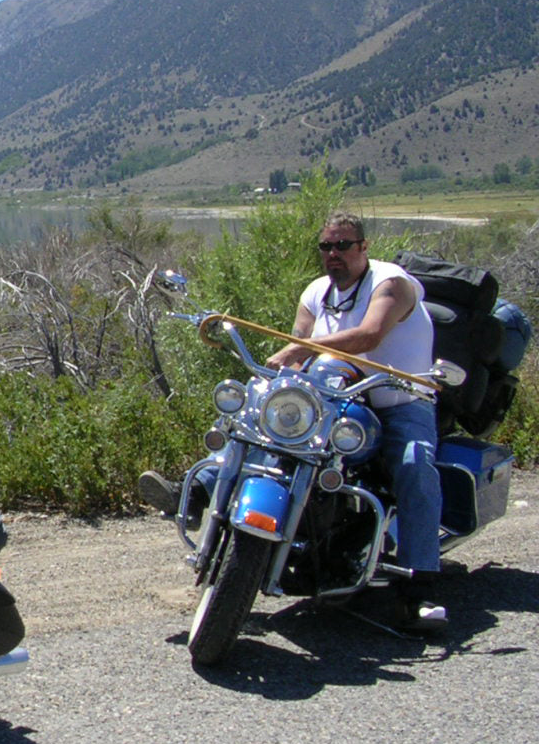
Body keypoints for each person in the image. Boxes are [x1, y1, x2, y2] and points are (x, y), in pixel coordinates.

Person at [138, 212, 446, 630]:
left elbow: (368, 336)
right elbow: (297, 354)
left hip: (398, 403)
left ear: (364, 247)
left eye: (344, 245)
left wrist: (298, 351)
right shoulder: (317, 292)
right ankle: (197, 492)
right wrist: (279, 377)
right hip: (336, 402)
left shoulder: (390, 283)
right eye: (327, 246)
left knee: (414, 467)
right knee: (260, 410)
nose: (334, 254)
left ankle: (419, 587)